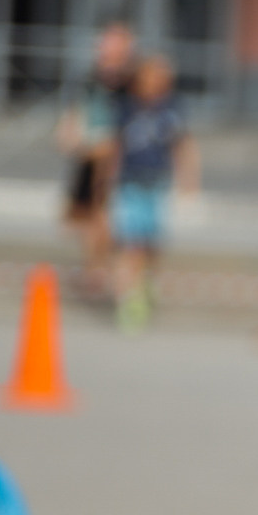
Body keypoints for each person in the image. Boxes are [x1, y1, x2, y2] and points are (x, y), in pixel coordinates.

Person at [106, 55, 197, 333]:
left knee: (151, 244)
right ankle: (128, 301)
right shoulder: (126, 108)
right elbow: (115, 147)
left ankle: (146, 284)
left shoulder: (172, 109)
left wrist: (188, 180)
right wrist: (106, 181)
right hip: (129, 182)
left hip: (157, 182)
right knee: (129, 245)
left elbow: (183, 145)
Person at [55, 22, 133, 301]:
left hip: (115, 158)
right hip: (88, 154)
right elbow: (75, 109)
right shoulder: (89, 78)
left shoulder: (130, 81)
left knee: (107, 216)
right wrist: (67, 133)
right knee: (83, 216)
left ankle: (104, 271)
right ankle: (93, 268)